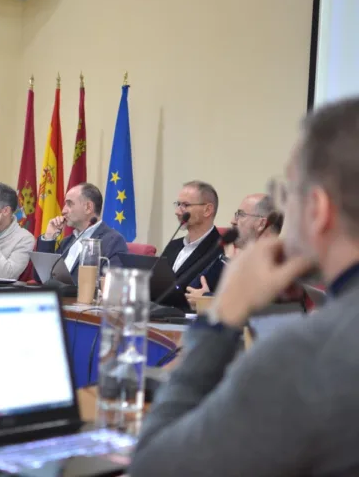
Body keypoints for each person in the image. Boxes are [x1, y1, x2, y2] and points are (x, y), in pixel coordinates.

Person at [129, 96, 359, 476]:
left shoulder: (304, 354)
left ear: (318, 209)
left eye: (288, 193)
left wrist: (220, 320)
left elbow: (153, 466)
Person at [186, 194, 283, 297]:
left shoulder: (280, 263)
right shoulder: (239, 259)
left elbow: (255, 306)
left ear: (261, 224)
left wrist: (207, 297)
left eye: (241, 215)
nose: (232, 221)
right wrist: (225, 259)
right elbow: (192, 290)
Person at [37, 183, 127, 277]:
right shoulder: (67, 242)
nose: (63, 211)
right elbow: (41, 277)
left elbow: (110, 284)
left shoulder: (113, 241)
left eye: (69, 204)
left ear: (88, 207)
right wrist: (49, 237)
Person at [160, 180, 223, 292]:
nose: (177, 212)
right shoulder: (173, 245)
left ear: (207, 210)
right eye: (178, 204)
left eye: (185, 205)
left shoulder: (220, 251)